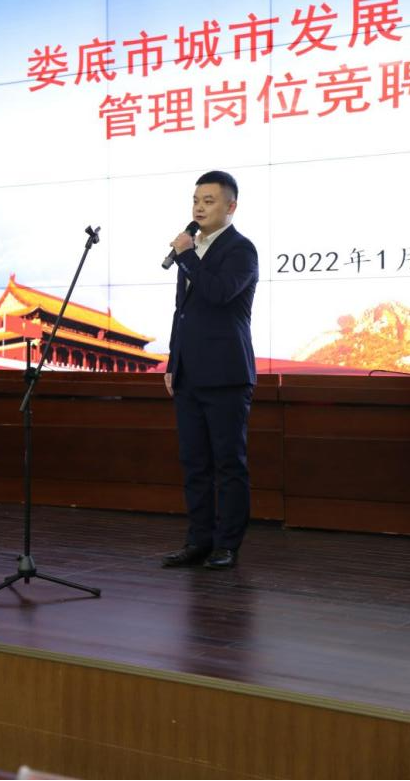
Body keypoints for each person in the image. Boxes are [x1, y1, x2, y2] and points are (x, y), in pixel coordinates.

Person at [162, 170, 258, 570]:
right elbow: (182, 313)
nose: (199, 208)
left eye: (209, 201)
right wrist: (173, 362)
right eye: (196, 200)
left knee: (228, 464)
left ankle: (227, 545)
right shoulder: (193, 250)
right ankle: (198, 541)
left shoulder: (241, 250)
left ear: (231, 206)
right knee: (194, 463)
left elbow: (219, 295)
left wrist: (187, 256)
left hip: (226, 374)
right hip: (189, 374)